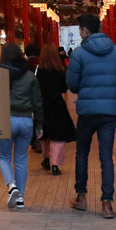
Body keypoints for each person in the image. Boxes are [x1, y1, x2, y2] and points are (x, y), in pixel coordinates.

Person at [66, 13, 116, 219]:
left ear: (84, 30)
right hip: (109, 112)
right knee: (106, 157)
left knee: (82, 153)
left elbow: (72, 85)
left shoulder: (79, 54)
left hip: (87, 112)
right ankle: (107, 203)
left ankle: (81, 197)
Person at [0, 42, 43, 209]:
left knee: (3, 157)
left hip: (6, 120)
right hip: (26, 121)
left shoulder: (0, 75)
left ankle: (11, 186)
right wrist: (39, 125)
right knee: (21, 160)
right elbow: (37, 103)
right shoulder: (30, 76)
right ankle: (20, 198)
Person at [37, 44, 77, 175]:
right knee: (58, 135)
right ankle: (55, 164)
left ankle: (46, 158)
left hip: (43, 105)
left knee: (45, 134)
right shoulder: (60, 70)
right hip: (57, 104)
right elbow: (64, 89)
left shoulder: (39, 71)